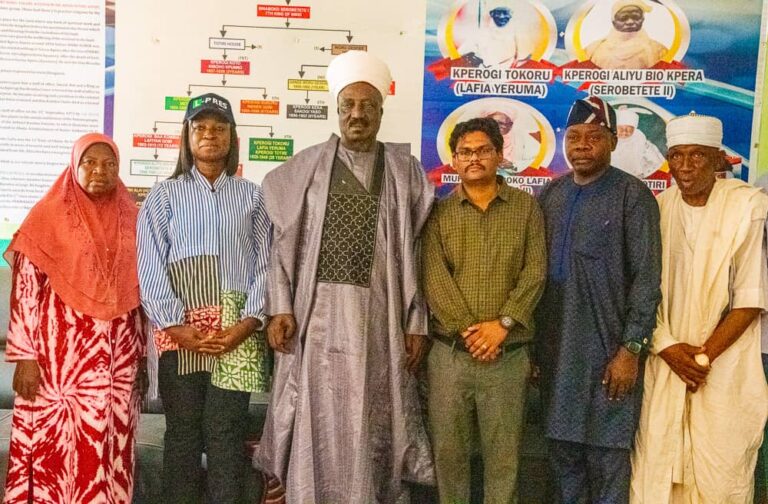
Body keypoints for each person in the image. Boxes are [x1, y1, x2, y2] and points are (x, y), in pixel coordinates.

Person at [253, 50, 435, 503]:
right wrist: (279, 307)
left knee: (372, 414)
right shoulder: (305, 169)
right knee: (315, 413)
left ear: (381, 112)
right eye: (348, 105)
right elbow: (281, 245)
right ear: (336, 110)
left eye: (367, 106)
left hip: (379, 319)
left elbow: (416, 253)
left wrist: (416, 322)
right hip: (314, 320)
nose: (357, 114)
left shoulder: (404, 172)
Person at [137, 93, 272, 503]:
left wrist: (246, 323)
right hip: (181, 339)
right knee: (182, 436)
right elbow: (150, 267)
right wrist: (179, 328)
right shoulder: (163, 196)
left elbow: (267, 264)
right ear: (187, 136)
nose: (210, 134)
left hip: (238, 337)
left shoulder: (253, 196)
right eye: (200, 127)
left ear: (232, 137)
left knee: (226, 435)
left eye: (219, 127)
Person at [631, 113, 768, 503]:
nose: (686, 166)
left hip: (723, 365)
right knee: (657, 468)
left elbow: (750, 298)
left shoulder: (746, 206)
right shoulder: (658, 208)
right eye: (677, 156)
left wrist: (701, 359)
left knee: (720, 474)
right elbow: (641, 291)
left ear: (718, 159)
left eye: (697, 155)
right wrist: (669, 349)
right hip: (666, 359)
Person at [3, 133, 145, 503]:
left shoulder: (134, 219)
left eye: (109, 164)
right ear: (74, 166)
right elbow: (25, 291)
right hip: (57, 366)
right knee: (56, 448)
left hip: (118, 365)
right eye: (90, 162)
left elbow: (144, 295)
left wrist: (144, 358)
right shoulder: (46, 217)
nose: (100, 170)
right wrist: (25, 357)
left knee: (110, 446)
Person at [536, 96, 662, 502]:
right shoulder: (550, 194)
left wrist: (631, 350)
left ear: (613, 141)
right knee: (563, 459)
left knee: (607, 461)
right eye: (574, 137)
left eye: (593, 137)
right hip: (557, 355)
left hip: (609, 356)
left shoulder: (632, 196)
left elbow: (647, 280)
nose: (582, 146)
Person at [422, 117, 546, 503]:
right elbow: (434, 278)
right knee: (449, 458)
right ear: (454, 161)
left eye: (482, 150)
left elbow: (535, 271)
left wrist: (502, 326)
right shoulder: (438, 212)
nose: (474, 158)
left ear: (499, 154)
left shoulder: (526, 208)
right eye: (465, 152)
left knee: (504, 460)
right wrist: (471, 331)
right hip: (451, 357)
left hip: (508, 357)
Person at [585, 0, 668, 69]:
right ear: (613, 21)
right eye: (623, 18)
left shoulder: (659, 51)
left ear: (643, 19)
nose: (630, 22)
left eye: (635, 17)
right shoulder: (594, 51)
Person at [458, 0, 526, 68]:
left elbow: (523, 61)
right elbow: (460, 54)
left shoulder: (518, 38)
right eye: (498, 13)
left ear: (511, 15)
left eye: (505, 13)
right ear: (491, 14)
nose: (501, 16)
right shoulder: (481, 34)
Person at [612, 108, 665, 179]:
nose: (624, 132)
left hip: (636, 177)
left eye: (629, 129)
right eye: (621, 129)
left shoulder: (640, 140)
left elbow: (655, 160)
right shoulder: (610, 141)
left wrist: (643, 172)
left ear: (634, 129)